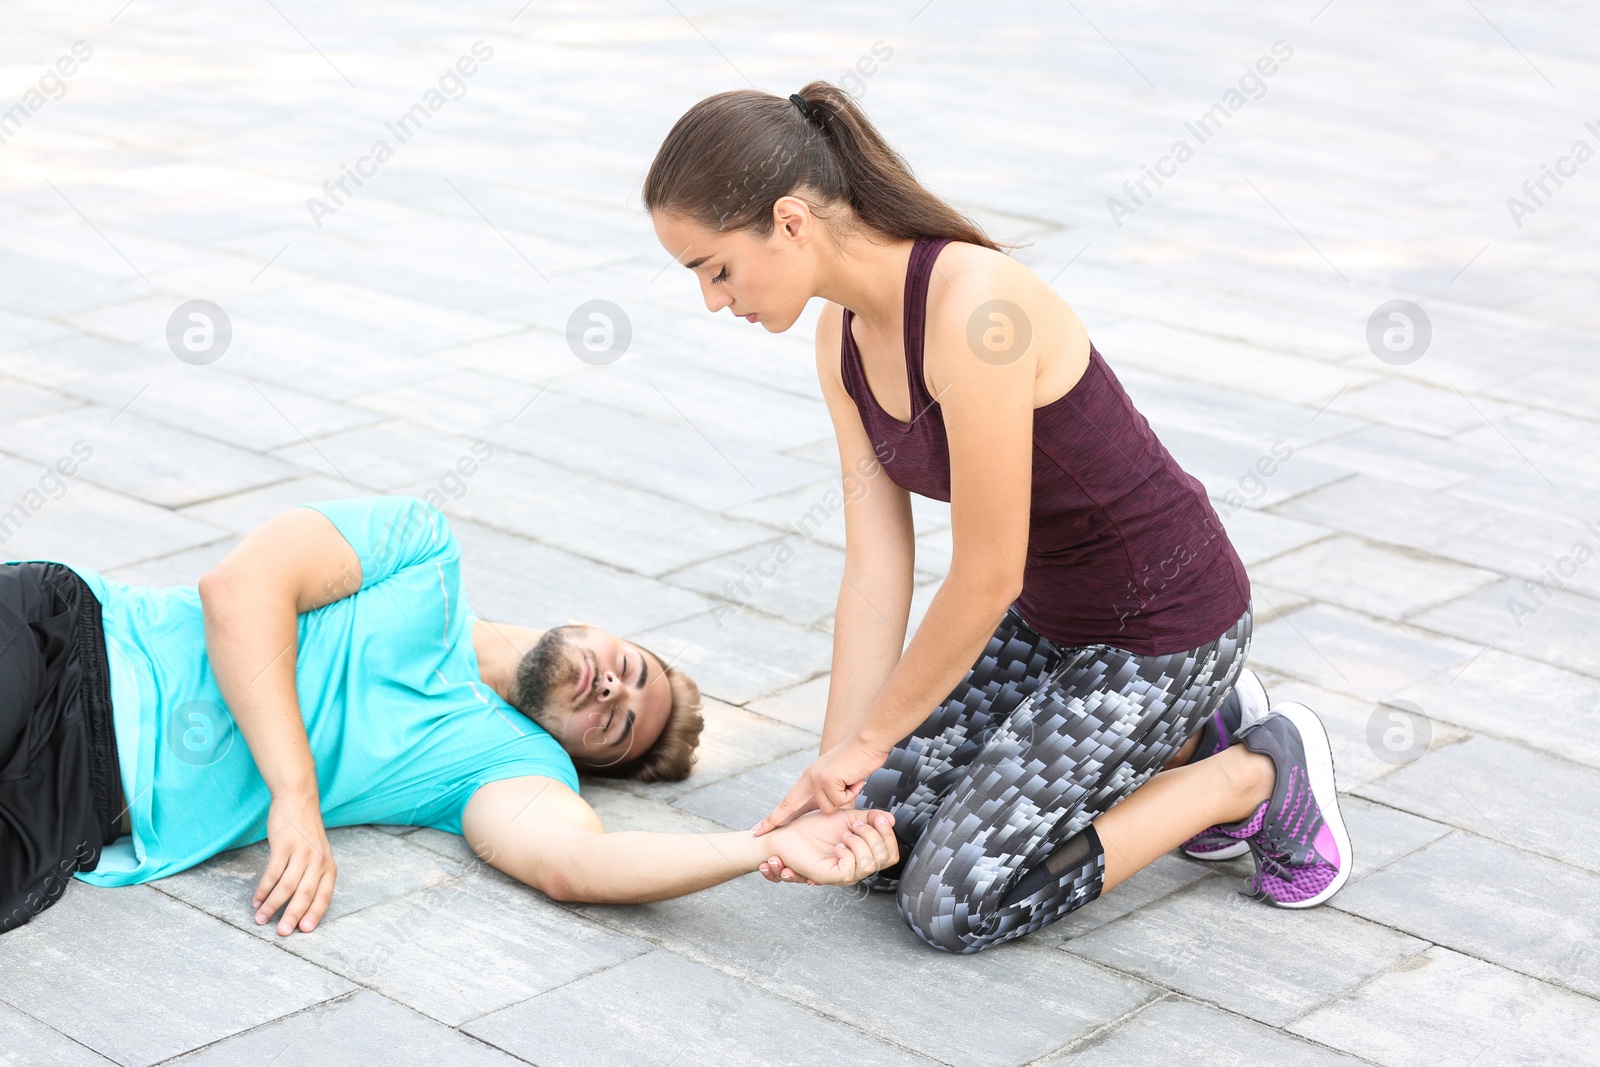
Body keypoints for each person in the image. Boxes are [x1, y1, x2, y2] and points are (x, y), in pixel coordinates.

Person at [644, 81, 1351, 954]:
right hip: (1051, 626)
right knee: (873, 848)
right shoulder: (841, 340)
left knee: (953, 903)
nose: (714, 300)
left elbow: (986, 574)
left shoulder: (976, 308)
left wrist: (871, 739)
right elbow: (875, 564)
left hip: (1164, 628)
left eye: (715, 268)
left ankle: (1252, 772)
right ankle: (1182, 737)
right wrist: (837, 779)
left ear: (790, 222)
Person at [0, 495, 898, 936]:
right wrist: (293, 796)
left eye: (618, 725)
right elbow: (240, 588)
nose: (610, 691)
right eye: (628, 669)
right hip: (67, 647)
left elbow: (579, 862)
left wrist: (764, 847)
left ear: (584, 758)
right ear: (596, 625)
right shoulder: (421, 553)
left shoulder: (497, 764)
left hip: (75, 805)